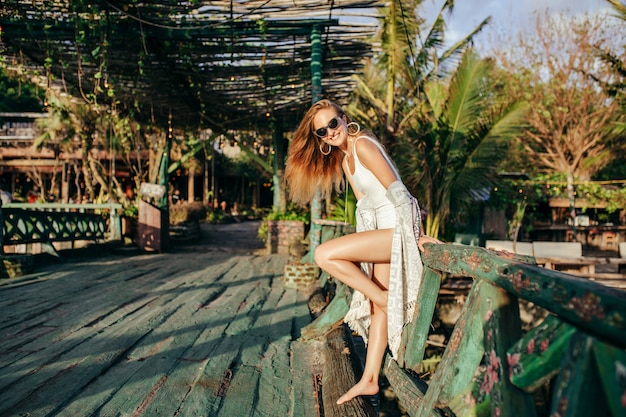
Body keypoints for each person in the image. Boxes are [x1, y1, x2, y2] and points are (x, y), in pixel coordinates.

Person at [285, 99, 441, 405]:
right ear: (319, 139)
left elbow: (399, 192)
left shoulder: (363, 145)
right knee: (374, 307)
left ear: (344, 118)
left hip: (397, 232)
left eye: (333, 123)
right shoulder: (345, 161)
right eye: (322, 131)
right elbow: (366, 210)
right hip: (379, 233)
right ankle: (370, 379)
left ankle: (384, 299)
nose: (330, 132)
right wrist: (366, 250)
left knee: (324, 255)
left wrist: (416, 236)